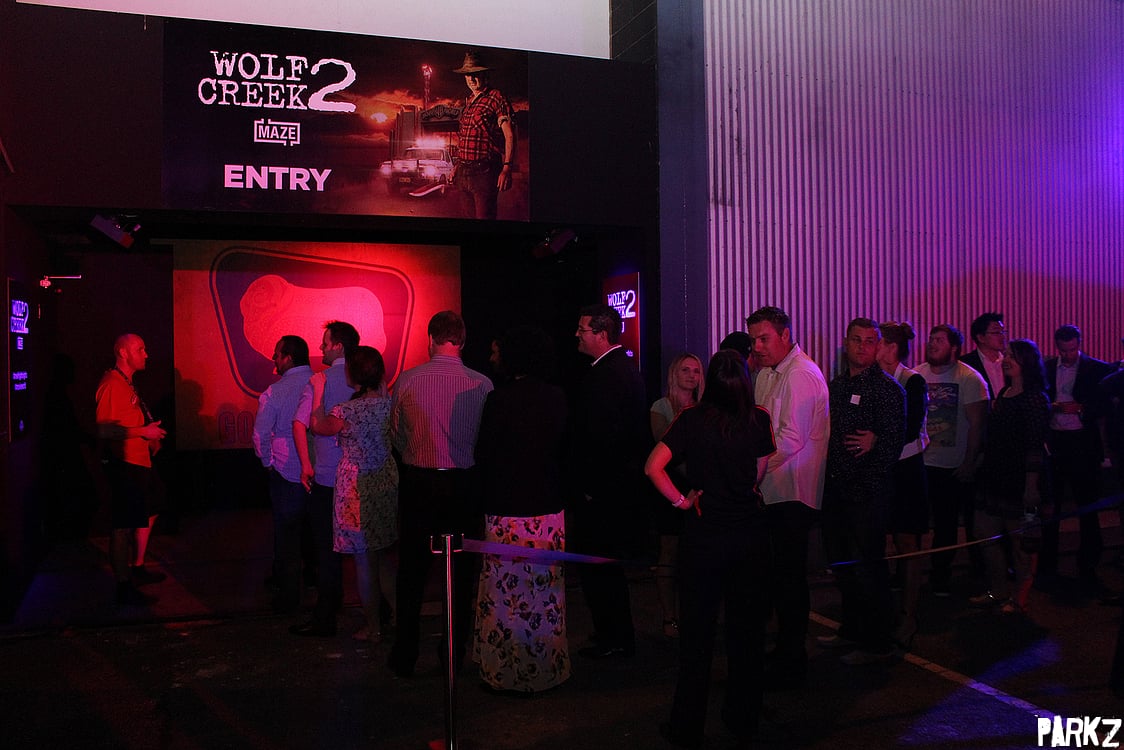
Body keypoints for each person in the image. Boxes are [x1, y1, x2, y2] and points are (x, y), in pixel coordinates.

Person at [645, 350, 776, 748]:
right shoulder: (758, 418)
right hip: (749, 535)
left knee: (697, 637)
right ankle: (742, 718)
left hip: (704, 536)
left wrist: (681, 501)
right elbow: (758, 474)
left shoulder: (692, 419)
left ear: (710, 381)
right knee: (746, 633)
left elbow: (653, 467)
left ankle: (686, 725)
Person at [387, 311, 493, 678]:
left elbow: (396, 433)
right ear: (462, 340)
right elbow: (487, 438)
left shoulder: (408, 379)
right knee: (461, 575)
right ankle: (453, 654)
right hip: (464, 486)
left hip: (420, 483)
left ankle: (405, 655)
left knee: (411, 573)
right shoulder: (482, 384)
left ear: (430, 339)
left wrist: (416, 453)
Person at [473, 325, 570, 693]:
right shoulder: (557, 397)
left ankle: (506, 671)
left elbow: (484, 455)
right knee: (543, 593)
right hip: (546, 508)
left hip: (507, 508)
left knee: (505, 596)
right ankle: (546, 668)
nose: (492, 357)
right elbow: (565, 451)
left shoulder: (499, 400)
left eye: (497, 351)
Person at [745, 306, 829, 688]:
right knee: (779, 578)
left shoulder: (801, 374)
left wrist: (751, 472)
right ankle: (785, 650)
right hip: (773, 490)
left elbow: (790, 440)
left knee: (790, 579)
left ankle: (793, 658)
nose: (757, 346)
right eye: (754, 340)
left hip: (793, 492)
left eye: (764, 338)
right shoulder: (767, 372)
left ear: (785, 334)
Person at [820, 318, 905, 665]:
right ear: (846, 343)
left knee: (868, 567)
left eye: (869, 341)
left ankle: (877, 642)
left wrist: (877, 441)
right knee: (842, 565)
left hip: (868, 493)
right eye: (857, 340)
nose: (862, 347)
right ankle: (851, 629)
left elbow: (895, 441)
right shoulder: (836, 386)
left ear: (878, 346)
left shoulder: (887, 389)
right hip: (835, 490)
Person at [571, 303, 650, 660]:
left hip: (605, 492)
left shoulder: (608, 374)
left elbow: (604, 438)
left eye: (583, 329)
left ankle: (614, 638)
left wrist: (591, 487)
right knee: (605, 567)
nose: (577, 334)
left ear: (602, 334)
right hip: (615, 489)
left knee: (602, 567)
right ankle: (612, 635)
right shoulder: (620, 369)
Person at [307, 346, 399, 643]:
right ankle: (399, 618)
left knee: (364, 560)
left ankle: (373, 627)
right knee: (382, 557)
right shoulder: (388, 406)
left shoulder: (345, 411)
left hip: (356, 488)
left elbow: (318, 427)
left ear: (353, 374)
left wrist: (318, 392)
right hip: (384, 482)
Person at [969, 339, 1050, 614]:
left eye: (1013, 356)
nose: (1006, 360)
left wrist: (1031, 485)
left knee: (1020, 541)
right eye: (1006, 355)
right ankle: (998, 589)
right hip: (995, 474)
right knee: (984, 533)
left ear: (1027, 362)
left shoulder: (1035, 398)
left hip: (1020, 478)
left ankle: (1020, 596)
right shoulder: (1005, 392)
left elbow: (1034, 445)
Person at [290, 320, 360, 637]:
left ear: (338, 346)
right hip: (360, 477)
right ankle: (379, 613)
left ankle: (326, 616)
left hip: (328, 477)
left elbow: (300, 424)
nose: (320, 348)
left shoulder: (320, 380)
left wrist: (306, 464)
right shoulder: (365, 378)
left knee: (326, 549)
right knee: (366, 549)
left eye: (325, 343)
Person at [916, 324, 989, 597]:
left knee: (946, 524)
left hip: (952, 466)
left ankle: (940, 576)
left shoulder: (969, 378)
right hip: (922, 462)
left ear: (954, 347)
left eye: (939, 340)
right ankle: (909, 574)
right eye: (931, 339)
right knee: (915, 523)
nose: (932, 344)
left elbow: (977, 425)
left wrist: (969, 462)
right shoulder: (918, 374)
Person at [95, 333, 168, 606]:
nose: (146, 354)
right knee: (122, 526)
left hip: (139, 462)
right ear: (124, 353)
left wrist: (149, 437)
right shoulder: (111, 384)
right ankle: (123, 586)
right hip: (125, 465)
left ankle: (136, 567)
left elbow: (127, 421)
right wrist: (143, 432)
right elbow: (104, 430)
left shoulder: (125, 383)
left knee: (152, 507)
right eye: (140, 349)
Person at [1041, 325, 1114, 589]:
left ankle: (1088, 565)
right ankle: (1047, 566)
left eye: (1072, 349)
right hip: (1056, 442)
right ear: (1057, 347)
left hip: (1083, 443)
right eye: (1064, 350)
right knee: (1052, 507)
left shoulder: (1097, 369)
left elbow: (1105, 405)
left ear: (1079, 344)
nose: (1068, 355)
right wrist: (1053, 407)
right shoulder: (1048, 367)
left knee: (1088, 507)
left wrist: (1081, 408)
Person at [876, 322, 929, 649]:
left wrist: (875, 439)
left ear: (891, 347)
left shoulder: (912, 381)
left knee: (908, 542)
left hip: (907, 468)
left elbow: (909, 429)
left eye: (876, 342)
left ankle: (909, 615)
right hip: (883, 467)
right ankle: (882, 614)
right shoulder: (873, 379)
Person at [252, 335, 314, 614]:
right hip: (322, 472)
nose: (273, 359)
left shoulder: (275, 391)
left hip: (287, 471)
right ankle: (319, 586)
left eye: (277, 354)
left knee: (287, 536)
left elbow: (261, 434)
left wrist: (267, 462)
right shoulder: (322, 383)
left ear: (288, 357)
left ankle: (288, 596)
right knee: (318, 534)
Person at [649, 353, 705, 639]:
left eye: (696, 371)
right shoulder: (661, 407)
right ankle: (669, 618)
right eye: (685, 370)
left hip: (700, 487)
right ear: (674, 373)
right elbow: (665, 450)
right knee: (669, 552)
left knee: (697, 554)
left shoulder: (705, 408)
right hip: (670, 485)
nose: (691, 375)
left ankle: (695, 616)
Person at [452, 50, 515, 220]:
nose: (471, 79)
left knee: (484, 222)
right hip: (463, 172)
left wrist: (507, 168)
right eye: (468, 75)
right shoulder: (468, 103)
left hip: (484, 172)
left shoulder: (496, 97)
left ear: (485, 75)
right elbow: (463, 137)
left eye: (476, 74)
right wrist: (456, 166)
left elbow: (509, 135)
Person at [961, 312, 1007, 399]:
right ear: (981, 338)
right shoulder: (965, 364)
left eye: (1003, 332)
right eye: (996, 332)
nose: (1003, 337)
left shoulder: (1012, 361)